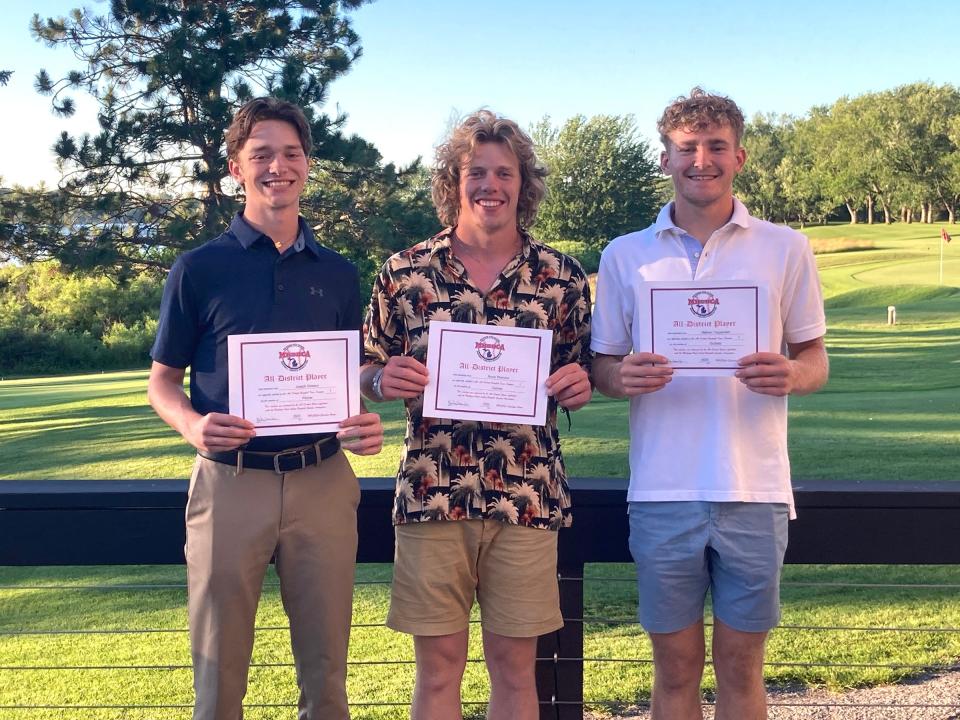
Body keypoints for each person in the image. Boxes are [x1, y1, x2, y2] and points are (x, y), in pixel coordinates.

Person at [591, 88, 829, 720]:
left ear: (740, 157)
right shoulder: (625, 255)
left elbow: (815, 360)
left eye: (716, 146)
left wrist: (790, 375)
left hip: (755, 489)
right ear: (665, 157)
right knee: (673, 671)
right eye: (687, 147)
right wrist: (624, 378)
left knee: (742, 669)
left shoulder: (786, 248)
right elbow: (602, 367)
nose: (702, 159)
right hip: (662, 491)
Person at [147, 97, 384, 720]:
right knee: (219, 679)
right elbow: (161, 383)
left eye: (291, 153)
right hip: (231, 484)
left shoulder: (337, 273)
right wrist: (193, 425)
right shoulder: (198, 269)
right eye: (261, 156)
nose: (277, 167)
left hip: (324, 481)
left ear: (307, 164)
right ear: (235, 168)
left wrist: (361, 414)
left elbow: (347, 374)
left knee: (328, 675)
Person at [360, 110, 592, 720]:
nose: (491, 184)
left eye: (504, 173)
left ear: (524, 184)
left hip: (528, 494)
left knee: (516, 673)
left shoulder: (561, 277)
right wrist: (382, 379)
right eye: (476, 172)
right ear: (453, 181)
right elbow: (362, 368)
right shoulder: (404, 272)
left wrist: (577, 383)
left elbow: (582, 370)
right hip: (431, 491)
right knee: (437, 673)